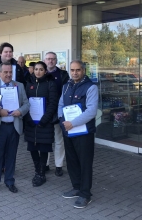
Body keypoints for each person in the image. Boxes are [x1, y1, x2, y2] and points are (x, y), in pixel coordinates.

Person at [58, 60, 98, 209]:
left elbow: (91, 111)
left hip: (84, 132)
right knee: (72, 161)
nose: (75, 73)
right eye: (72, 70)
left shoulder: (91, 87)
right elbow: (61, 105)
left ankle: (85, 194)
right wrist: (62, 120)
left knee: (85, 163)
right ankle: (76, 187)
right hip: (68, 131)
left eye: (78, 70)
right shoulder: (66, 86)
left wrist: (72, 123)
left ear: (83, 71)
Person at [0, 62, 30, 193]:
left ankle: (10, 181)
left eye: (10, 72)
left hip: (13, 125)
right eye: (5, 72)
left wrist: (20, 111)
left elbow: (26, 104)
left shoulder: (19, 85)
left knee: (11, 155)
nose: (8, 75)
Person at [24, 61, 59, 186]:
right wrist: (28, 118)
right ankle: (37, 170)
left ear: (45, 71)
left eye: (41, 69)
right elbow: (25, 102)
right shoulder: (28, 84)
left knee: (43, 147)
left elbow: (53, 104)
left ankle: (42, 173)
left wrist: (44, 120)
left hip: (45, 123)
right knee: (32, 147)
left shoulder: (50, 84)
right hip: (30, 122)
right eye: (36, 69)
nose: (38, 72)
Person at [44, 51, 69, 176]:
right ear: (45, 60)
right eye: (48, 59)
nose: (50, 61)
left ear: (56, 60)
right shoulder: (40, 73)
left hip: (59, 112)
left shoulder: (63, 75)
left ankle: (59, 165)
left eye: (53, 59)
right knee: (46, 140)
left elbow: (66, 93)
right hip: (44, 113)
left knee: (59, 141)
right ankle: (45, 164)